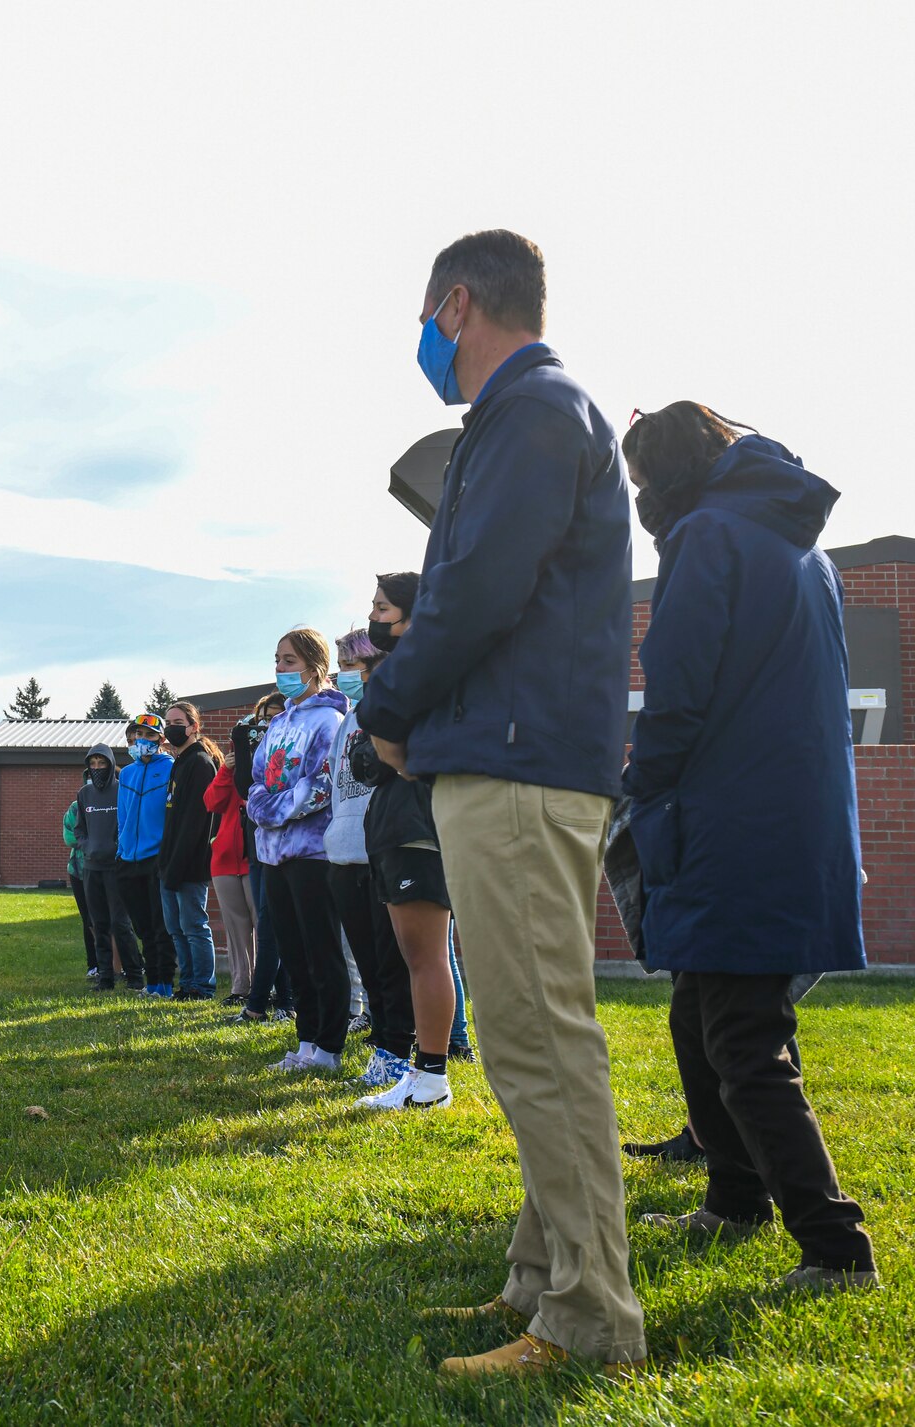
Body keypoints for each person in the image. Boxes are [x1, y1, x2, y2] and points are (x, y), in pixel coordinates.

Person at [359, 230, 644, 1375]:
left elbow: (474, 589)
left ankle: (588, 1318)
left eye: (427, 315)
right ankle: (541, 1276)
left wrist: (391, 696)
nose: (423, 337)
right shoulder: (536, 414)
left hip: (519, 765)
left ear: (457, 301)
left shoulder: (529, 411)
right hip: (517, 759)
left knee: (535, 1041)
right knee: (530, 1033)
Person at [621, 404, 876, 1292]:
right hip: (788, 814)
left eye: (640, 482)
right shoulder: (799, 544)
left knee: (740, 1036)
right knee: (703, 1015)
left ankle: (837, 1248)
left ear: (666, 476)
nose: (641, 501)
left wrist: (638, 785)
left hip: (736, 820)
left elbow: (678, 689)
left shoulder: (707, 536)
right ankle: (733, 1198)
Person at [350, 572, 458, 1111]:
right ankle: (421, 1070)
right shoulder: (398, 672)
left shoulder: (426, 669)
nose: (374, 618)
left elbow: (395, 754)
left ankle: (434, 1076)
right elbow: (370, 757)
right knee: (413, 956)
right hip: (391, 825)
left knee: (426, 956)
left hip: (419, 826)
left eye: (382, 607)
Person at [248, 629, 351, 1071]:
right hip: (274, 853)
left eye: (288, 660)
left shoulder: (328, 721)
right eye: (277, 660)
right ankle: (306, 1041)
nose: (280, 669)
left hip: (312, 853)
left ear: (314, 666)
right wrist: (266, 808)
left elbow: (321, 785)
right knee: (293, 951)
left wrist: (274, 809)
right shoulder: (278, 723)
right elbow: (255, 781)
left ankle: (328, 1047)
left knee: (320, 949)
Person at [323, 628, 417, 1091]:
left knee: (391, 963)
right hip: (343, 853)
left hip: (379, 847)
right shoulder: (347, 720)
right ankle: (382, 1045)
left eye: (351, 665)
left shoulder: (389, 711)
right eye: (339, 664)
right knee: (365, 957)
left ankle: (400, 1050)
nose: (344, 674)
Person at [231, 694, 295, 1023]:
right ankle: (284, 1000)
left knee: (272, 924)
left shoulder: (293, 744)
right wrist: (243, 744)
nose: (271, 722)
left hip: (288, 843)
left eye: (278, 716)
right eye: (266, 717)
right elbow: (245, 785)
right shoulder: (259, 745)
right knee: (267, 922)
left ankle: (262, 1004)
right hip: (258, 842)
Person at [158, 701, 221, 999]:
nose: (172, 728)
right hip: (169, 861)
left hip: (189, 863)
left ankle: (203, 986)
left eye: (178, 722)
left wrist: (178, 864)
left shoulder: (199, 763)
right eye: (168, 722)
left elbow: (197, 822)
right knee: (176, 929)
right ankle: (188, 983)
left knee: (194, 926)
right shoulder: (178, 763)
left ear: (194, 726)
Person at [117, 712, 176, 997]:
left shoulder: (170, 769)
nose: (141, 740)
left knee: (160, 924)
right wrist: (121, 848)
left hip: (157, 857)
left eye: (149, 735)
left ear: (161, 739)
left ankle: (163, 983)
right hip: (128, 859)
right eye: (137, 735)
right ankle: (150, 982)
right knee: (141, 926)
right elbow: (123, 816)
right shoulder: (126, 773)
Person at [77, 743, 142, 991]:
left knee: (120, 923)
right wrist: (87, 846)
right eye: (92, 764)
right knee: (99, 923)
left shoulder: (122, 790)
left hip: (117, 868)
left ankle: (135, 975)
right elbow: (79, 829)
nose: (97, 768)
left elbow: (130, 823)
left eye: (101, 763)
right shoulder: (84, 794)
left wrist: (117, 847)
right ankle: (105, 978)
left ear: (111, 764)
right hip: (91, 868)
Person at [206, 724, 256, 1005]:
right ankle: (240, 988)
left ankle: (266, 988)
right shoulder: (228, 771)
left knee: (263, 926)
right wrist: (226, 770)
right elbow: (212, 802)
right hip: (224, 861)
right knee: (236, 929)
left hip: (254, 859)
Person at [63, 790, 102, 984]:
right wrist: (93, 844)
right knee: (88, 919)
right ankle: (93, 964)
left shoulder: (111, 803)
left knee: (115, 919)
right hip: (79, 871)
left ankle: (125, 963)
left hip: (105, 868)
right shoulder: (75, 807)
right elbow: (70, 837)